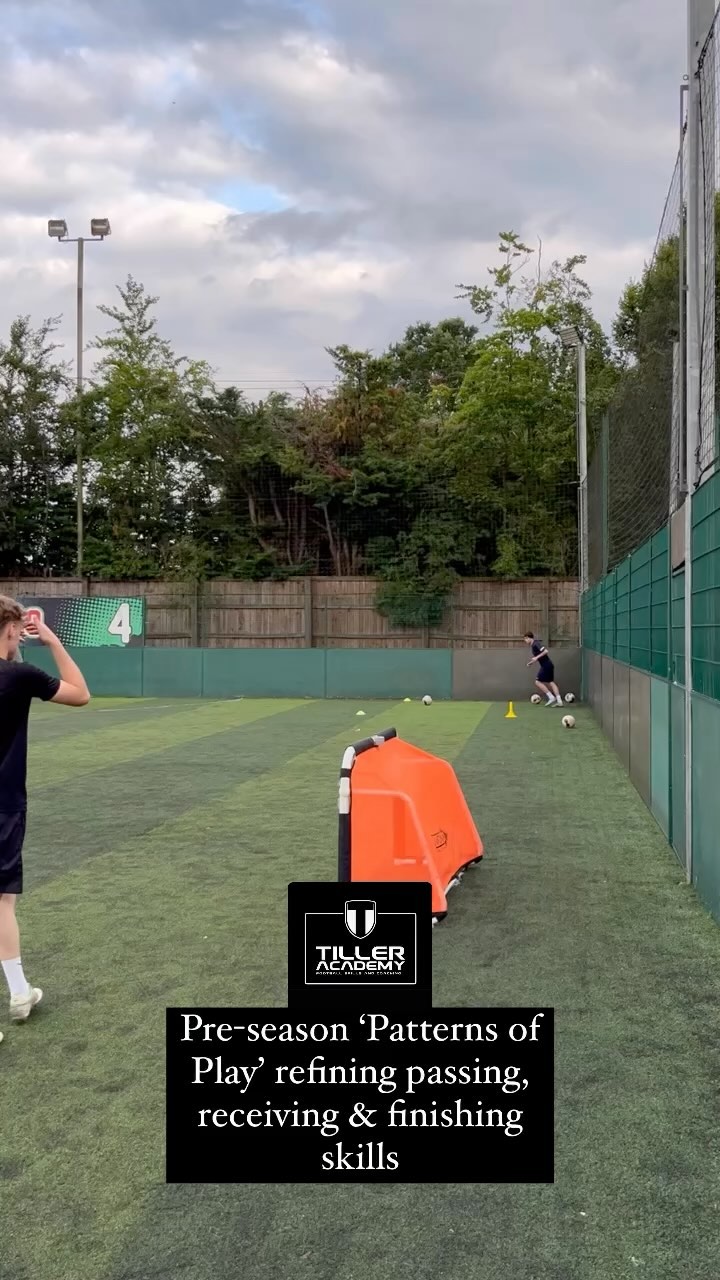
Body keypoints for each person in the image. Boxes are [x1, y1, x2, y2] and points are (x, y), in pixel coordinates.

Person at [0, 596, 90, 1039]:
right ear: (13, 630)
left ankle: (20, 990)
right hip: (3, 803)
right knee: (1, 902)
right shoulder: (19, 675)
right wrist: (53, 640)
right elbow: (80, 694)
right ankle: (17, 992)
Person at [524, 631, 562, 706]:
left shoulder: (536, 643)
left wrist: (536, 658)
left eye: (525, 639)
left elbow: (545, 651)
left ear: (528, 638)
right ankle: (559, 701)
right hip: (548, 664)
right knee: (551, 682)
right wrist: (531, 662)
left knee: (537, 682)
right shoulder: (533, 645)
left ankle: (551, 697)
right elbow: (539, 657)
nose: (525, 641)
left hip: (546, 665)